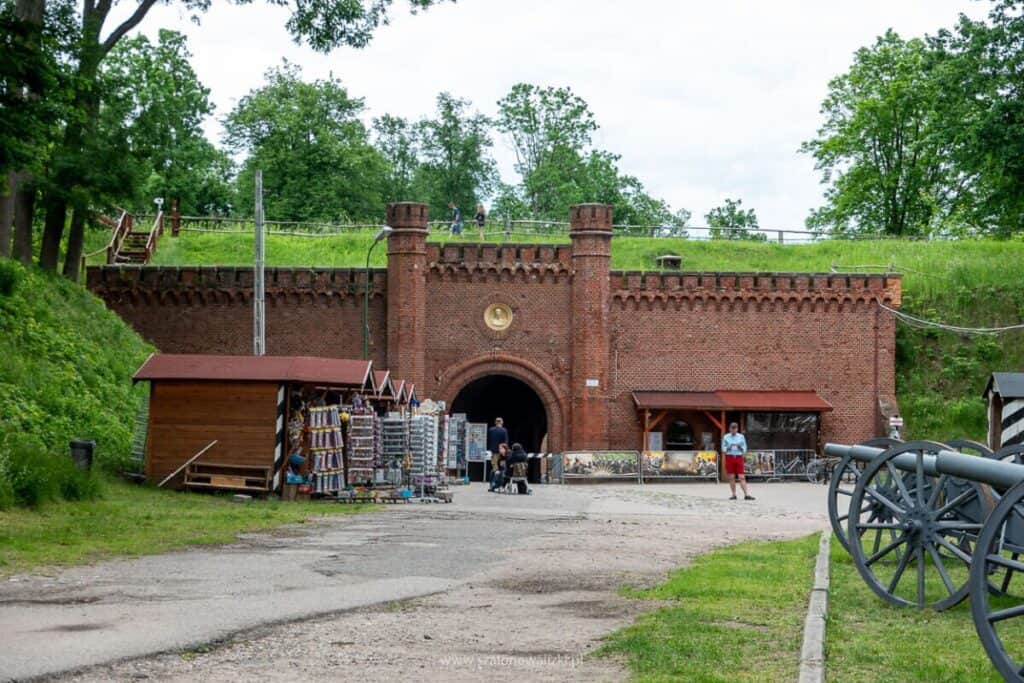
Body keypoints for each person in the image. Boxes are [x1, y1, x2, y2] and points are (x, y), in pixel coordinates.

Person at [722, 422, 754, 500]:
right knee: (731, 477)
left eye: (735, 428)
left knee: (742, 477)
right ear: (730, 429)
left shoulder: (741, 436)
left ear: (737, 429)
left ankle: (746, 495)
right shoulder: (726, 437)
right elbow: (723, 448)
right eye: (732, 428)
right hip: (729, 457)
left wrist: (740, 448)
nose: (734, 430)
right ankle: (733, 495)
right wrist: (728, 448)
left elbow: (745, 448)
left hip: (739, 457)